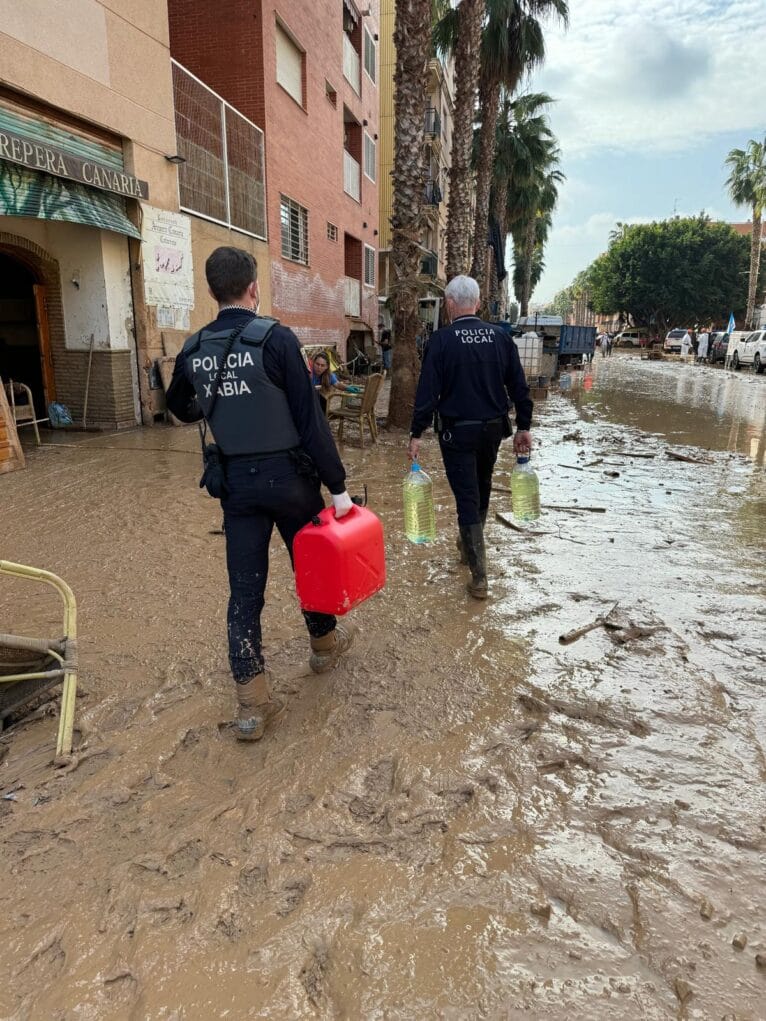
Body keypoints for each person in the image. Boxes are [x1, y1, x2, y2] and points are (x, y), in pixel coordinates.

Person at [166, 247, 354, 742]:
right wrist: (337, 488)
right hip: (292, 482)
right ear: (253, 288)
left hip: (238, 488)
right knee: (310, 569)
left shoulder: (193, 348)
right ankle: (324, 649)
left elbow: (180, 407)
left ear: (211, 291)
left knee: (244, 593)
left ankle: (251, 704)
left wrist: (215, 399)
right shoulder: (276, 339)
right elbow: (311, 422)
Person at [407, 275, 533, 600]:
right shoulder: (501, 338)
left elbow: (427, 392)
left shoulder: (441, 340)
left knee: (466, 496)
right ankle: (468, 546)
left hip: (457, 432)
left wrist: (416, 432)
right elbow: (519, 387)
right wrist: (524, 426)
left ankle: (479, 576)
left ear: (450, 304)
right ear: (477, 303)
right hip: (492, 430)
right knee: (483, 486)